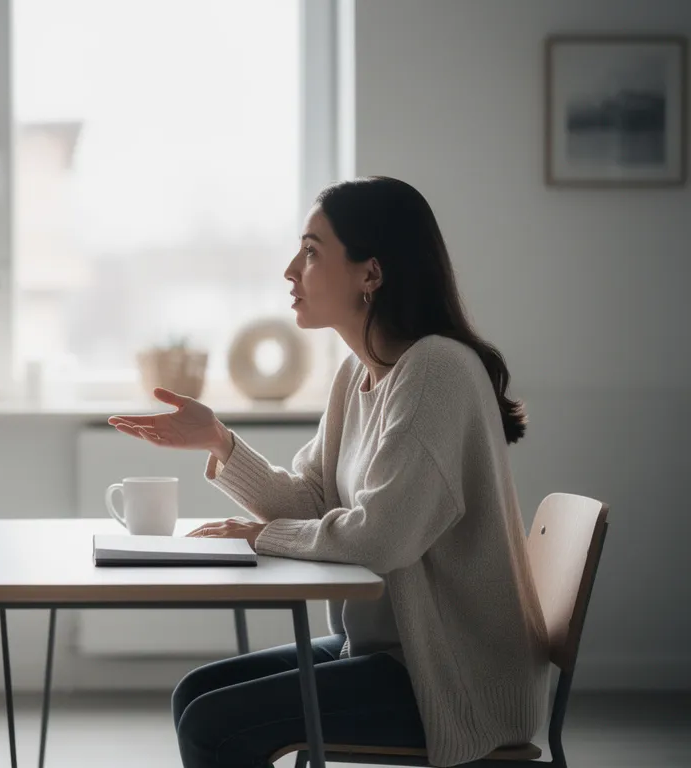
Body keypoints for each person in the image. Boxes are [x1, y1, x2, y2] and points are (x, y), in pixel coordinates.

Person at [109, 176, 549, 768]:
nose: (292, 270)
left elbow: (381, 538)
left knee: (215, 724)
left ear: (371, 274)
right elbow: (312, 498)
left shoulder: (436, 372)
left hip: (446, 677)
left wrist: (261, 537)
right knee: (196, 695)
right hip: (387, 652)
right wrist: (219, 441)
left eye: (312, 251)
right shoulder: (359, 374)